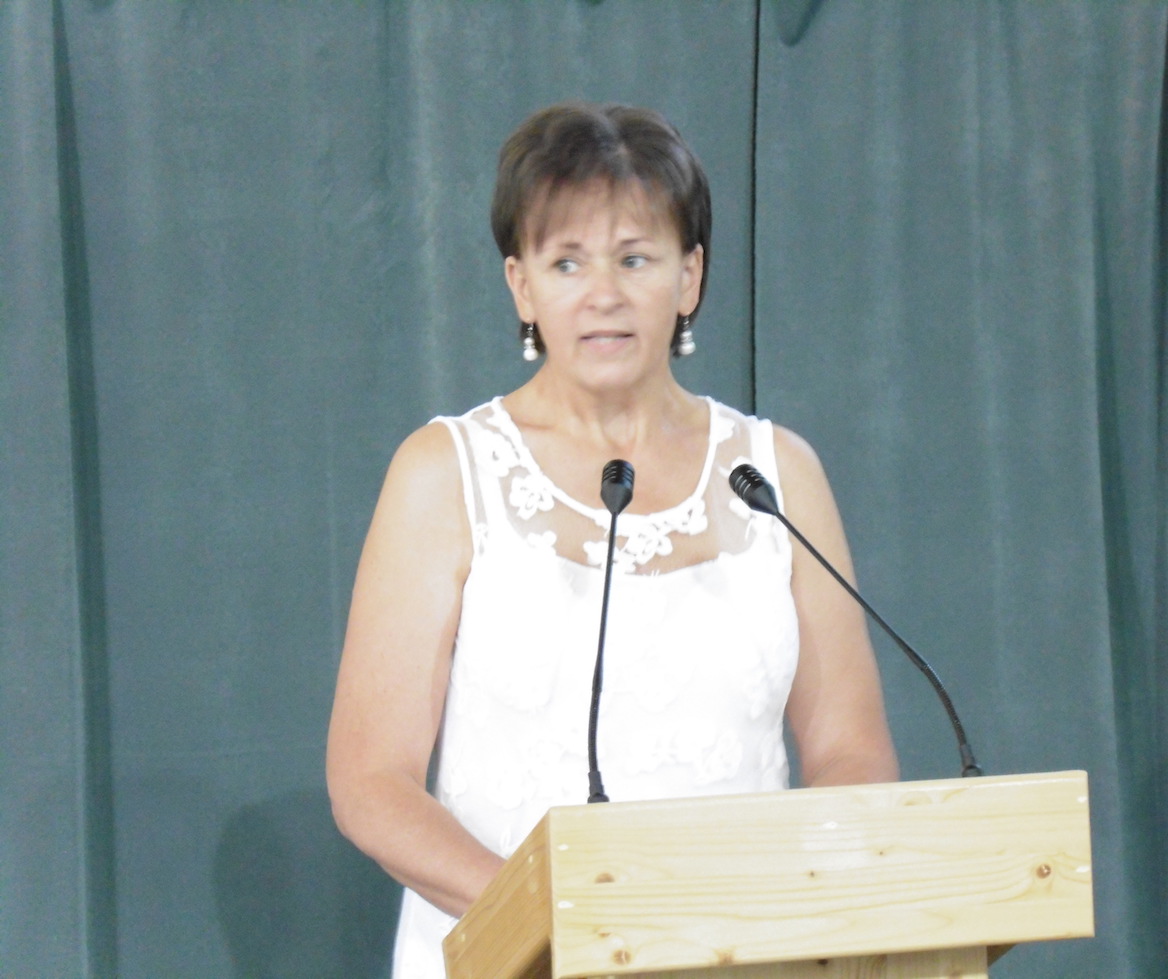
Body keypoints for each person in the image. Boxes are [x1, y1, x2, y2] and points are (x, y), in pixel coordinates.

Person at [325, 102, 899, 978]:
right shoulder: (444, 473)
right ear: (521, 286)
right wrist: (557, 923)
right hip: (521, 956)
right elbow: (372, 780)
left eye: (635, 258)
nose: (604, 294)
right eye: (567, 262)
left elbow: (851, 754)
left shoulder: (778, 474)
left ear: (689, 275)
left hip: (746, 959)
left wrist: (773, 911)